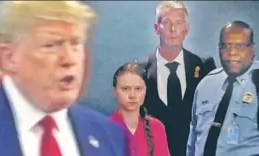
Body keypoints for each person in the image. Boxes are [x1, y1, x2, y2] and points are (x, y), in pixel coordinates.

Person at [0, 1, 127, 156]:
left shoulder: (108, 134)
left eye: (76, 44)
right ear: (9, 57)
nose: (69, 59)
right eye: (51, 46)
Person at [135, 1, 216, 156]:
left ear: (186, 29)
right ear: (156, 28)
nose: (173, 30)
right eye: (166, 23)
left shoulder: (204, 66)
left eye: (179, 23)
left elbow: (210, 120)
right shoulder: (139, 69)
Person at [186, 20, 259, 156]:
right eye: (226, 46)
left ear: (252, 49)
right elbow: (193, 140)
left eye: (240, 45)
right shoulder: (206, 84)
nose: (232, 52)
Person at [110, 63, 170, 156]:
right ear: (115, 91)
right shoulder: (105, 128)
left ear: (146, 91)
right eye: (125, 89)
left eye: (138, 89)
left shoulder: (157, 128)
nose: (132, 95)